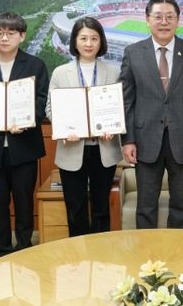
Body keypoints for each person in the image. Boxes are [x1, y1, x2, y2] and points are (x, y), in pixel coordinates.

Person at [119, 0, 183, 229]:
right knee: (145, 205)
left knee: (181, 205)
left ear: (178, 20)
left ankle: (177, 249)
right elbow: (126, 100)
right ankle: (147, 251)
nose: (164, 22)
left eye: (170, 17)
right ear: (147, 20)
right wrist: (128, 140)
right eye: (158, 16)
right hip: (145, 139)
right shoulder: (133, 52)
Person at [0, 12, 49, 257]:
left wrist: (26, 122)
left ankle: (24, 247)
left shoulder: (35, 65)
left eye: (11, 33)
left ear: (22, 36)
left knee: (24, 202)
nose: (4, 38)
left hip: (24, 146)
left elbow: (41, 101)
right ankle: (1, 250)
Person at [45, 17, 122, 236]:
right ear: (75, 41)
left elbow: (119, 107)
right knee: (75, 208)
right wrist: (64, 128)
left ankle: (98, 251)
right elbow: (50, 107)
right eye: (83, 38)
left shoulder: (113, 72)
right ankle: (77, 251)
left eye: (94, 38)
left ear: (101, 42)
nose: (89, 44)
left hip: (103, 149)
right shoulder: (60, 72)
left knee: (101, 208)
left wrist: (113, 127)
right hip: (72, 148)